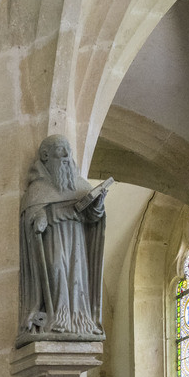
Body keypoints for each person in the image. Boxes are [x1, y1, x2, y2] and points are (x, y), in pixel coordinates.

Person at [17, 136, 110, 343]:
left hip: (76, 242)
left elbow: (94, 218)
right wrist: (40, 217)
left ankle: (79, 321)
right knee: (56, 270)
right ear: (45, 156)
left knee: (76, 278)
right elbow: (31, 215)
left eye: (68, 151)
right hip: (54, 240)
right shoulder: (37, 190)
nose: (67, 156)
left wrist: (98, 205)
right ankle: (57, 319)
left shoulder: (80, 186)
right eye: (61, 151)